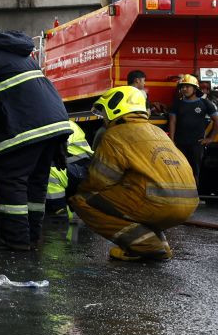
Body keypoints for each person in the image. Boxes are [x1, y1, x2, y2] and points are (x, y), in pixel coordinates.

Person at [0, 12, 71, 251]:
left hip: (25, 127)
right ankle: (31, 236)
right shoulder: (17, 50)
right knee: (36, 184)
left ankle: (15, 240)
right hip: (54, 123)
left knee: (12, 180)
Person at [70, 86, 197, 261]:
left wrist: (79, 187)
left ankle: (144, 246)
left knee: (83, 200)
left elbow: (100, 180)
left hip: (156, 201)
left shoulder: (115, 134)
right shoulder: (158, 131)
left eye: (105, 112)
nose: (104, 119)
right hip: (188, 203)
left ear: (117, 108)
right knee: (134, 200)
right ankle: (160, 246)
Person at [167, 74, 217, 180]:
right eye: (182, 87)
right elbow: (172, 122)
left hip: (197, 145)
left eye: (187, 86)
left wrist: (211, 138)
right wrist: (171, 142)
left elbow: (216, 120)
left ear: (195, 88)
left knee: (195, 172)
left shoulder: (204, 103)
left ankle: (195, 195)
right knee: (178, 172)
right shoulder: (177, 104)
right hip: (179, 144)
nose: (184, 89)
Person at [45, 120, 93, 219]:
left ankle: (59, 213)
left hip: (83, 170)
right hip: (75, 169)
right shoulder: (52, 122)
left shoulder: (64, 124)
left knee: (49, 171)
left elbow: (56, 149)